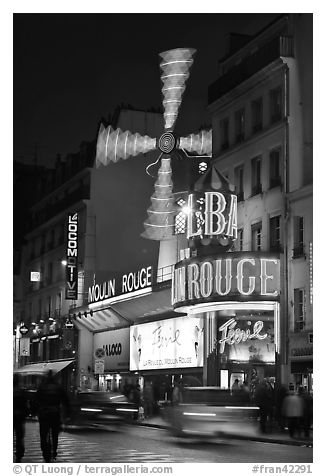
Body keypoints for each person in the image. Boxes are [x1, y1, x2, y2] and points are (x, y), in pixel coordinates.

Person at [35, 370, 70, 462]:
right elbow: (65, 401)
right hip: (55, 413)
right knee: (55, 435)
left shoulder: (42, 387)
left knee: (43, 434)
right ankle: (54, 451)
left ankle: (44, 451)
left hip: (44, 414)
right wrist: (67, 413)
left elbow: (36, 400)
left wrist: (34, 411)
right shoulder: (58, 387)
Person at [13, 374, 28, 463]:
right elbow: (25, 404)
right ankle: (19, 455)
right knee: (19, 437)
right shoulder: (22, 391)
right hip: (19, 417)